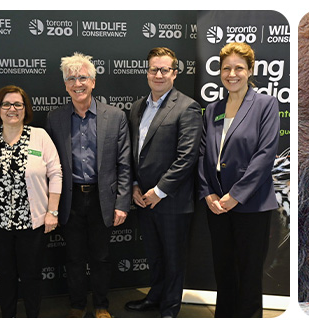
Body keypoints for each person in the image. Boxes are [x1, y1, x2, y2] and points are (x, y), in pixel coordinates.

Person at [45, 52, 131, 318]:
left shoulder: (115, 116)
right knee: (73, 258)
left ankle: (102, 304)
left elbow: (125, 164)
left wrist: (121, 203)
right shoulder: (55, 118)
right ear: (65, 85)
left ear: (93, 82)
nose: (77, 83)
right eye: (71, 78)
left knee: (101, 257)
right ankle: (77, 304)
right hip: (70, 199)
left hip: (101, 199)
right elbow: (48, 166)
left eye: (82, 77)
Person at [197, 42, 280, 318]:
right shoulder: (212, 109)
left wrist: (236, 196)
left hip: (250, 205)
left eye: (239, 68)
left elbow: (265, 155)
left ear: (250, 70)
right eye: (226, 68)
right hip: (216, 206)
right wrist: (208, 193)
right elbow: (202, 154)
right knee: (224, 270)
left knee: (248, 273)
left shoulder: (265, 105)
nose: (232, 74)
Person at [0, 85, 62, 318]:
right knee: (4, 275)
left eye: (18, 104)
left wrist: (53, 211)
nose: (12, 109)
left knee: (31, 276)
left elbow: (56, 173)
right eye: (6, 104)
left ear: (25, 109)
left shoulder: (39, 136)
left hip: (32, 223)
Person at [123, 47, 202, 318]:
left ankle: (170, 308)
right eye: (153, 69)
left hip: (172, 201)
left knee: (173, 259)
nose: (158, 74)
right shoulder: (136, 108)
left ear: (174, 73)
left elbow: (187, 157)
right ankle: (154, 298)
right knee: (154, 256)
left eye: (164, 69)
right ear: (147, 72)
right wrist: (134, 185)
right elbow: (133, 153)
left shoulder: (187, 107)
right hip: (143, 199)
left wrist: (159, 191)